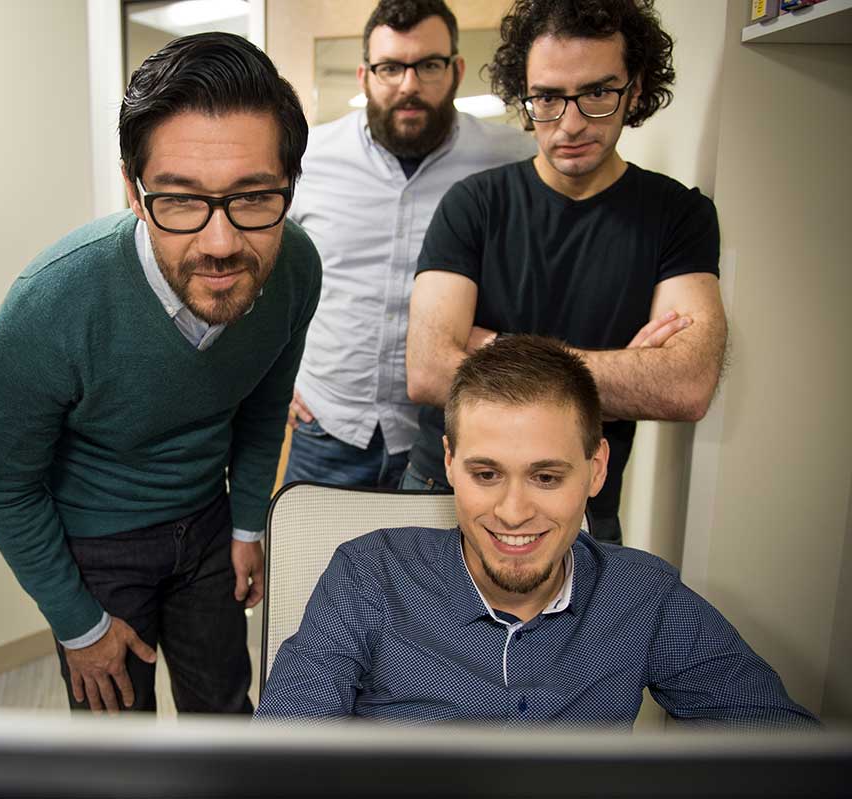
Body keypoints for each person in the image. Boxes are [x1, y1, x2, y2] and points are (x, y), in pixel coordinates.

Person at [0, 33, 320, 715]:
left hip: (210, 524)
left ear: (288, 187)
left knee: (224, 707)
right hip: (95, 545)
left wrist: (248, 526)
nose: (221, 244)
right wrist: (78, 622)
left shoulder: (295, 268)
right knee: (115, 741)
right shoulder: (50, 305)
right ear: (135, 192)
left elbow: (264, 404)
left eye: (253, 197)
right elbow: (7, 489)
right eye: (181, 200)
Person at [258, 336, 815, 727]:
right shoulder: (368, 575)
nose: (514, 511)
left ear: (596, 469)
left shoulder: (643, 596)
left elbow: (778, 742)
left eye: (546, 476)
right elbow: (281, 757)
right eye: (486, 474)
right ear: (449, 463)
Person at [403, 0, 727, 544]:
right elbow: (429, 370)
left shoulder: (679, 215)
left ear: (636, 88)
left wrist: (497, 348)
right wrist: (625, 371)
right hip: (450, 491)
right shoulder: (473, 206)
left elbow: (687, 386)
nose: (571, 123)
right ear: (525, 98)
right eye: (549, 98)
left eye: (598, 93)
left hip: (585, 503)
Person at [284, 0, 534, 488]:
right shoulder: (308, 158)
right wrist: (274, 375)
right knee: (307, 566)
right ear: (364, 76)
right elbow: (262, 274)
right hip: (327, 429)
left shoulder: (510, 161)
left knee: (430, 569)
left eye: (429, 65)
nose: (409, 85)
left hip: (451, 439)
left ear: (457, 70)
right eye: (390, 67)